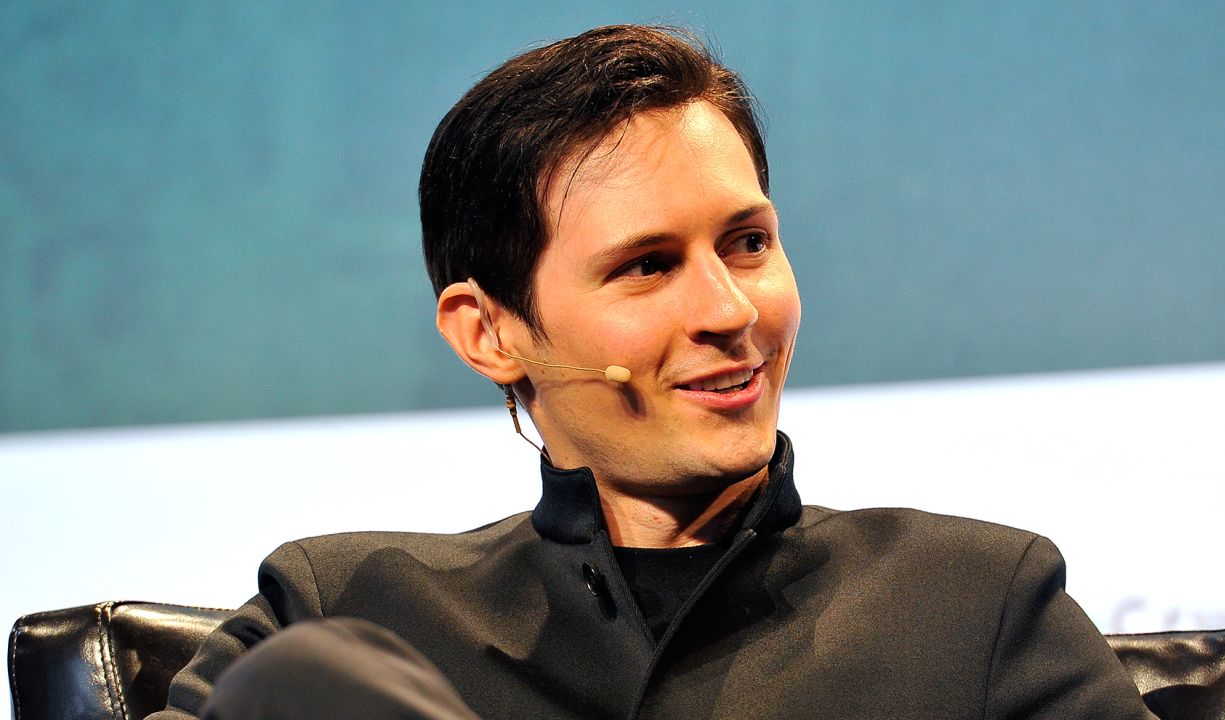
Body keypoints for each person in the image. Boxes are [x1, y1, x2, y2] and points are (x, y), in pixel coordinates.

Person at [150, 25, 1155, 720]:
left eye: (749, 243)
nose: (728, 310)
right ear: (488, 332)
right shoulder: (347, 611)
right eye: (646, 266)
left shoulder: (973, 606)